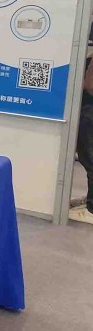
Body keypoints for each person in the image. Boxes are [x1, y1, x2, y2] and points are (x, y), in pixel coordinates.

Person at [73, 45, 93, 224]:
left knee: (89, 157)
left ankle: (91, 209)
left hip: (90, 109)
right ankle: (89, 199)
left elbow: (89, 85)